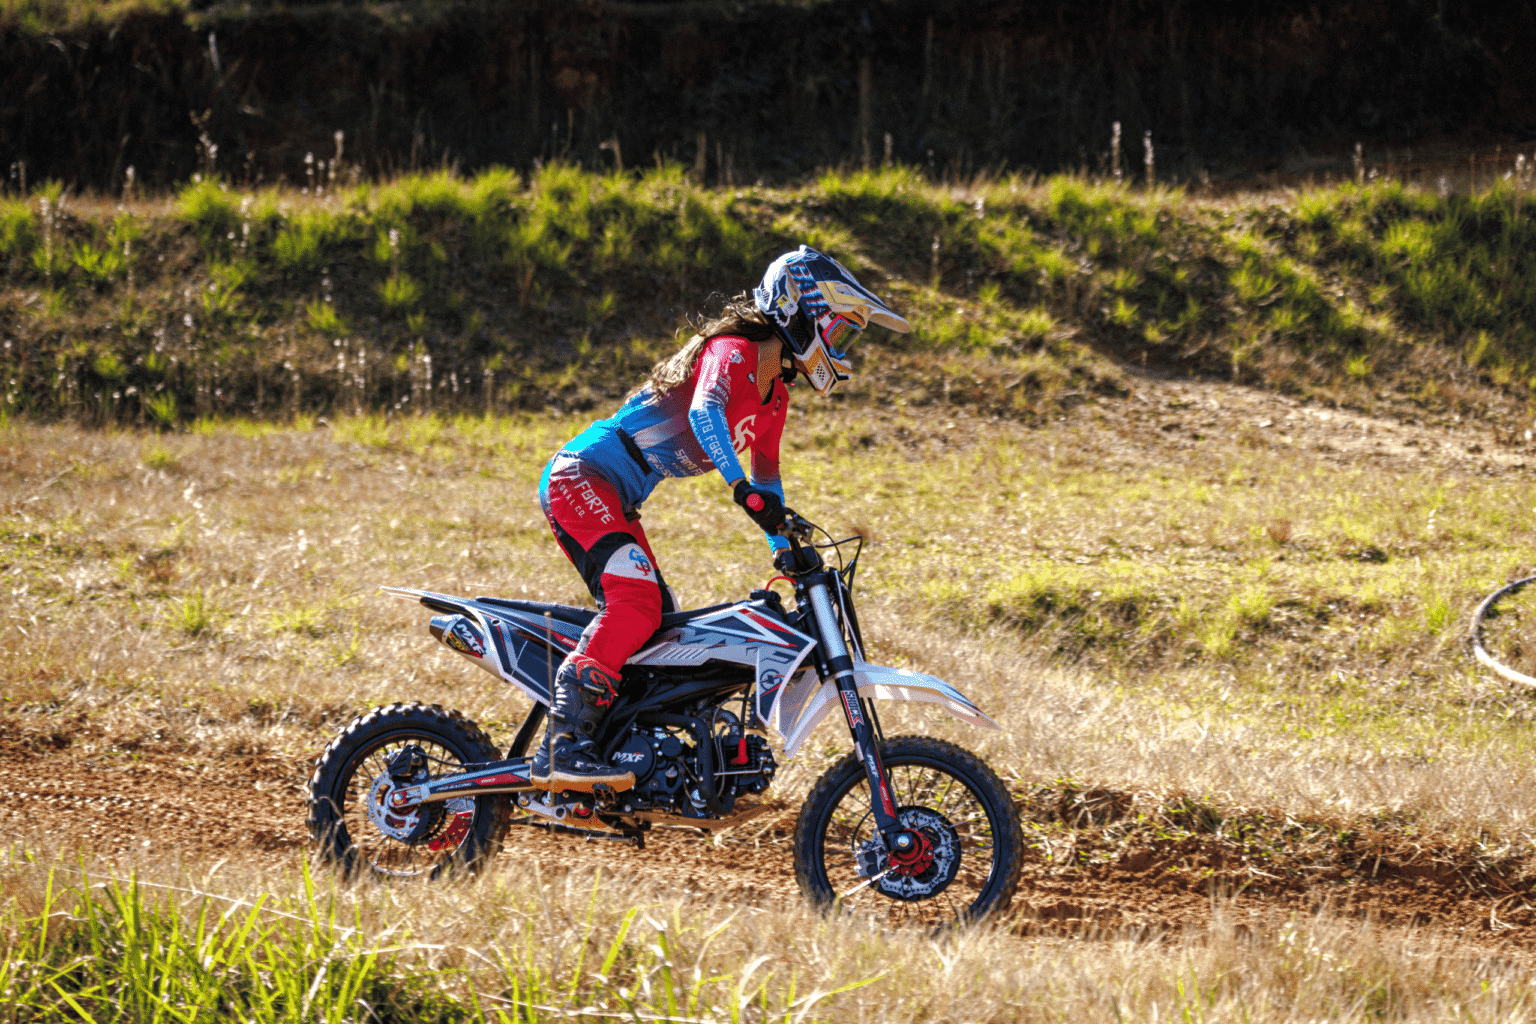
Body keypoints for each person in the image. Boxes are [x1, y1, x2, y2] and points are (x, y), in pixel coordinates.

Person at [531, 245, 911, 794]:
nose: (842, 349)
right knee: (634, 606)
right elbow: (704, 412)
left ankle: (615, 751)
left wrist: (785, 543)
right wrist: (740, 492)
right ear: (803, 313)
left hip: (617, 494)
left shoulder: (775, 396)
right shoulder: (733, 350)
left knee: (661, 626)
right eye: (841, 332)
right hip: (583, 476)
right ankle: (563, 747)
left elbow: (768, 476)